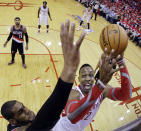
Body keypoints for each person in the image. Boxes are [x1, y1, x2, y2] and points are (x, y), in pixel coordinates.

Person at [1, 20, 85, 131]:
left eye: (23, 106)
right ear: (13, 121)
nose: (27, 110)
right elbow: (44, 119)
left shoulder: (22, 123)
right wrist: (69, 70)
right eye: (21, 112)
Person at [52, 50, 132, 131]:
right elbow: (74, 116)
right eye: (83, 76)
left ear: (93, 77)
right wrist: (100, 86)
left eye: (90, 75)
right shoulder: (73, 94)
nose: (87, 79)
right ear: (78, 79)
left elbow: (126, 94)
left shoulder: (102, 90)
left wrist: (122, 64)